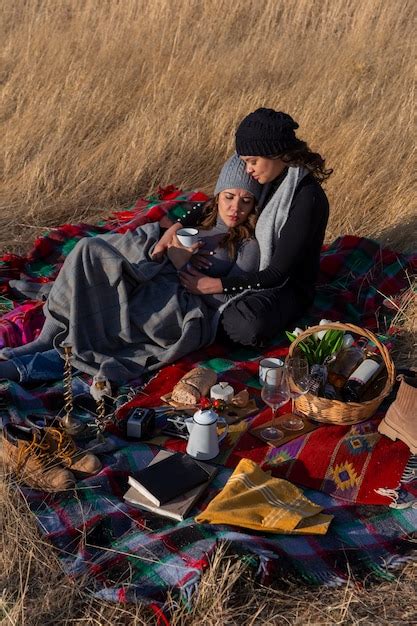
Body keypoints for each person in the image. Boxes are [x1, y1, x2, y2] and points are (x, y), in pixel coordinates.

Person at [0, 155, 261, 384]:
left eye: (246, 201)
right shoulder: (203, 214)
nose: (235, 208)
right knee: (89, 251)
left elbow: (231, 298)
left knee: (117, 320)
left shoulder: (247, 245)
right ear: (218, 195)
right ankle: (49, 337)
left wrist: (191, 275)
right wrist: (169, 249)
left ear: (254, 205)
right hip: (155, 271)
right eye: (228, 197)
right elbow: (167, 235)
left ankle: (25, 367)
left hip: (182, 303)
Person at [178, 107, 332, 346]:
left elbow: (277, 274)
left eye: (252, 162)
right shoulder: (270, 175)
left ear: (275, 153)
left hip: (285, 287)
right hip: (251, 271)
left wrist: (213, 285)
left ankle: (202, 311)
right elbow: (215, 201)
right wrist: (176, 225)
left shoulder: (306, 199)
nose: (248, 169)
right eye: (245, 162)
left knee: (247, 324)